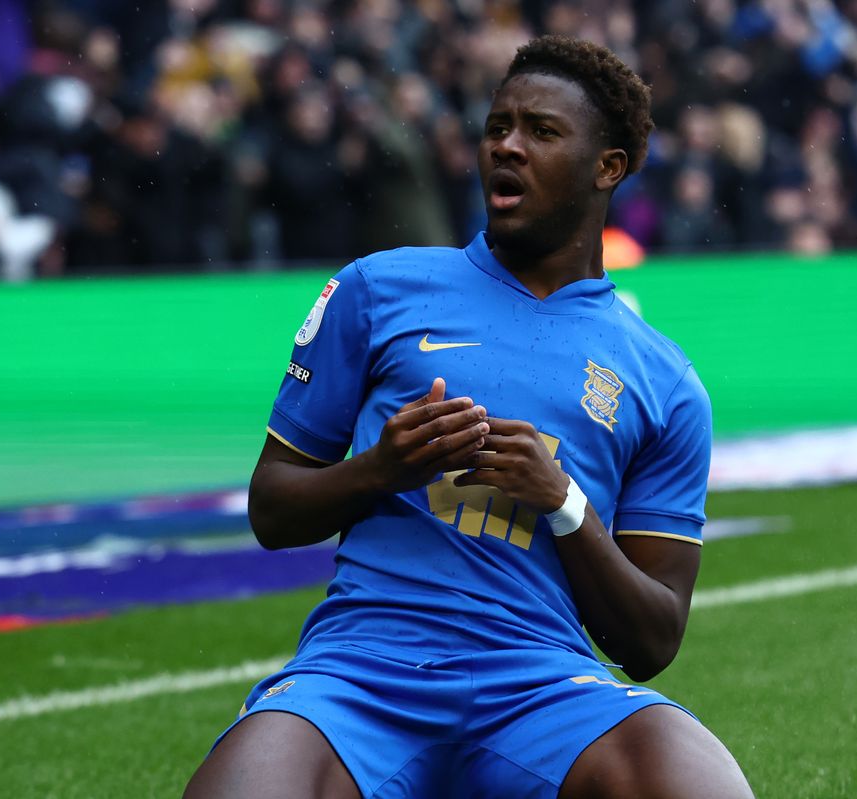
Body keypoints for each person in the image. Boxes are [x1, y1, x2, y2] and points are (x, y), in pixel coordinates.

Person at [184, 35, 754, 799]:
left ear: (607, 167)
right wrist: (378, 470)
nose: (507, 148)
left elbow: (653, 639)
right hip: (361, 671)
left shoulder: (665, 380)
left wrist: (563, 503)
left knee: (695, 781)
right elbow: (271, 509)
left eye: (541, 132)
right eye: (497, 128)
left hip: (542, 684)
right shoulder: (375, 290)